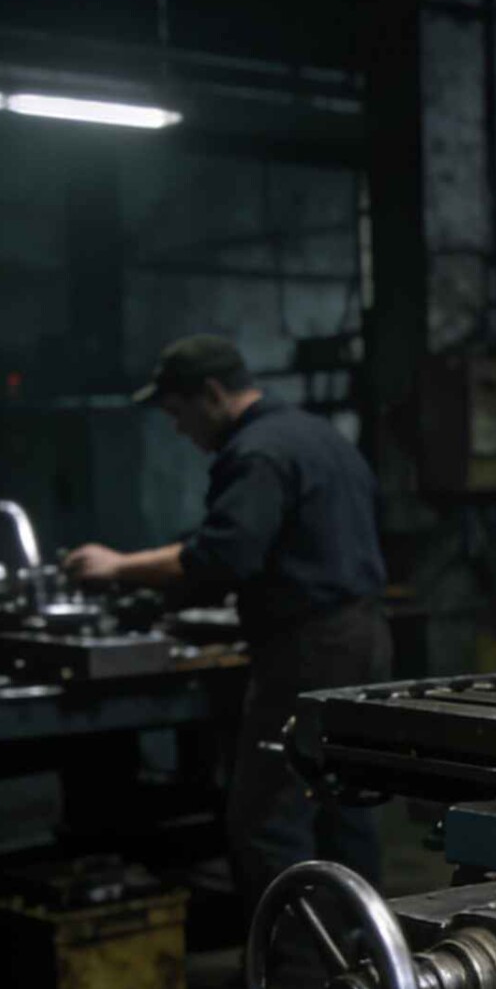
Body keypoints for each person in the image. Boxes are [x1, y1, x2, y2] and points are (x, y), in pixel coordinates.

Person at [63, 335, 391, 935]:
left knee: (268, 817)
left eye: (178, 413)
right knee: (343, 808)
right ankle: (366, 956)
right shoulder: (316, 435)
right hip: (363, 634)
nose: (181, 430)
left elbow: (225, 556)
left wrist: (118, 567)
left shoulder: (258, 451)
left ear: (211, 395)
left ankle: (293, 970)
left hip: (308, 651)